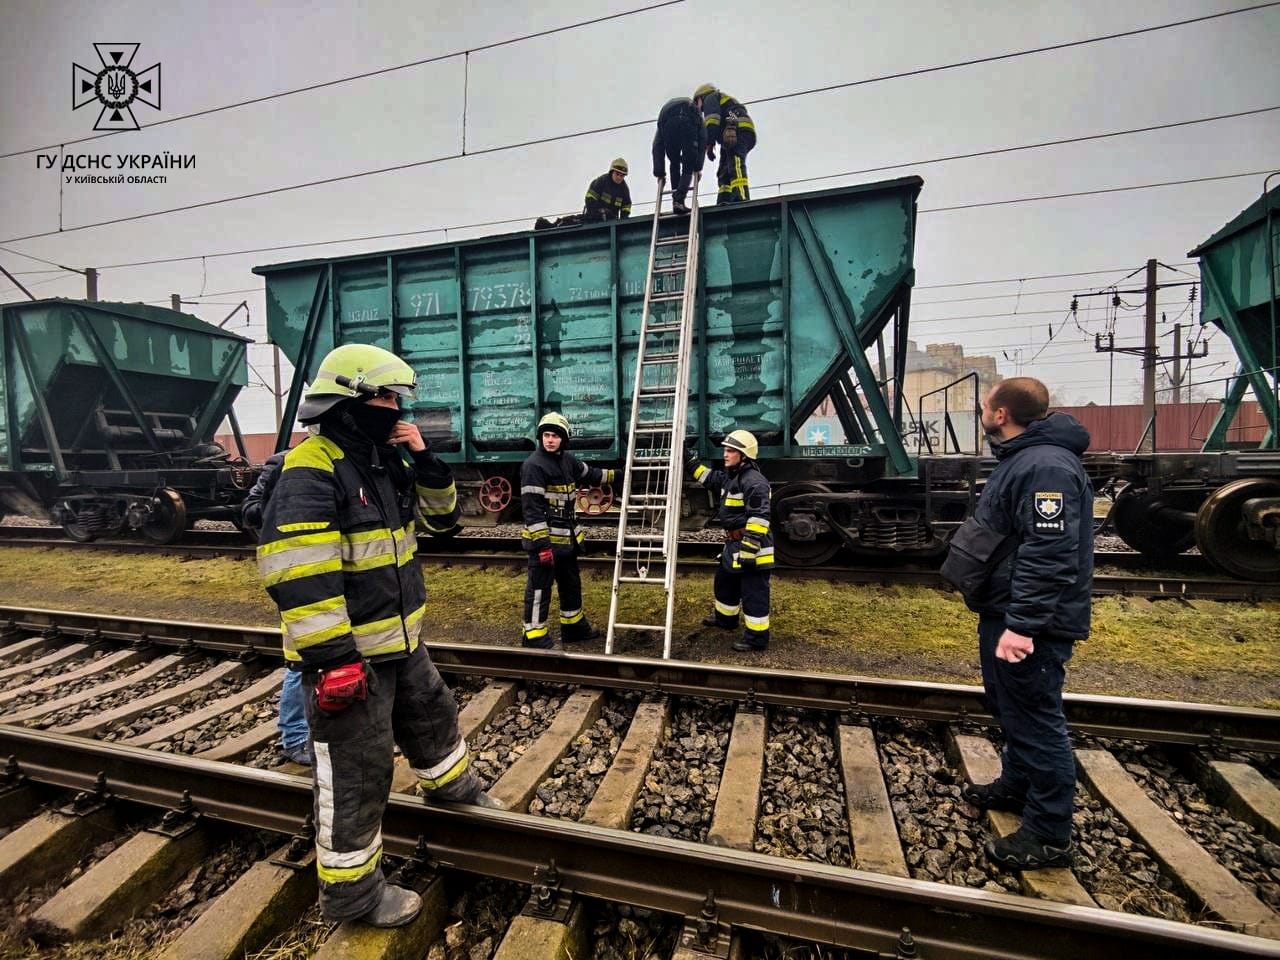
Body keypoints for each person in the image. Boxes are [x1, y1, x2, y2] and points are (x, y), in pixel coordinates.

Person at [256, 343, 496, 929]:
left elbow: (442, 523)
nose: (396, 408)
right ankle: (354, 896)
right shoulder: (311, 467)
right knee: (358, 772)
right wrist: (335, 659)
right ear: (349, 402)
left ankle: (455, 791)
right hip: (350, 655)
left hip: (401, 640)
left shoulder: (383, 462)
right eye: (387, 398)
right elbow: (298, 571)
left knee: (433, 718)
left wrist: (426, 459)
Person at [944, 377, 1093, 870]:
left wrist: (1023, 625)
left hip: (1028, 622)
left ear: (1001, 414)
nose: (982, 412)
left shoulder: (1045, 466)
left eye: (985, 406)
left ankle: (1049, 835)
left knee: (1035, 720)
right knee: (1011, 707)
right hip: (1007, 611)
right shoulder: (1026, 459)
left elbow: (1048, 554)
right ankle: (1018, 784)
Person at [520, 412, 620, 648]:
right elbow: (532, 511)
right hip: (544, 544)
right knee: (539, 589)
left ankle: (573, 627)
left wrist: (621, 474)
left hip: (566, 541)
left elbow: (592, 474)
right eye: (546, 435)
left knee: (571, 585)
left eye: (555, 436)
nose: (550, 440)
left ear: (563, 439)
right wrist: (542, 547)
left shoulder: (568, 461)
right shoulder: (533, 465)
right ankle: (533, 636)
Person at [241, 452, 311, 766]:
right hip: (296, 572)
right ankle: (294, 737)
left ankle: (309, 731)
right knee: (299, 660)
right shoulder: (283, 463)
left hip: (325, 569)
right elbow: (251, 510)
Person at [686, 430, 773, 651]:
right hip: (735, 544)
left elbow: (760, 517)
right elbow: (706, 477)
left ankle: (756, 638)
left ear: (744, 455)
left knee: (754, 593)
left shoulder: (754, 481)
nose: (725, 454)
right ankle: (725, 619)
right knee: (725, 583)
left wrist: (749, 549)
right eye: (725, 450)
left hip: (752, 546)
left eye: (731, 451)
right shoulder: (731, 477)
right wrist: (687, 459)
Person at [692, 83, 756, 204]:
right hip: (733, 133)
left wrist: (709, 144)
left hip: (739, 131)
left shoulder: (710, 98)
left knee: (735, 163)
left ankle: (741, 198)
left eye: (697, 103)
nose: (698, 109)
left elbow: (712, 121)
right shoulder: (719, 99)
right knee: (724, 169)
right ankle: (724, 199)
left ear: (700, 98)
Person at [652, 97, 706, 214]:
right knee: (688, 165)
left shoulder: (671, 110)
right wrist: (697, 166)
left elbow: (657, 145)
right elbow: (703, 141)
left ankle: (676, 201)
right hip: (687, 118)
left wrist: (659, 172)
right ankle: (679, 200)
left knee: (674, 161)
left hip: (665, 118)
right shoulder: (695, 111)